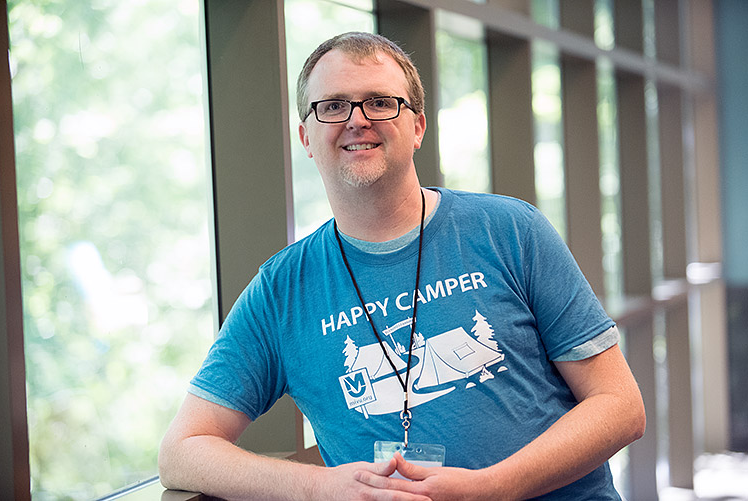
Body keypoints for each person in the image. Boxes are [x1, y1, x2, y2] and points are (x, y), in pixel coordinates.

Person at [158, 31, 645, 500]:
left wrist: (495, 488)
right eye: (333, 106)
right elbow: (182, 450)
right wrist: (320, 489)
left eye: (379, 102)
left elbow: (620, 406)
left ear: (417, 127)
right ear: (306, 137)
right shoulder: (280, 291)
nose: (357, 120)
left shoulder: (510, 230)